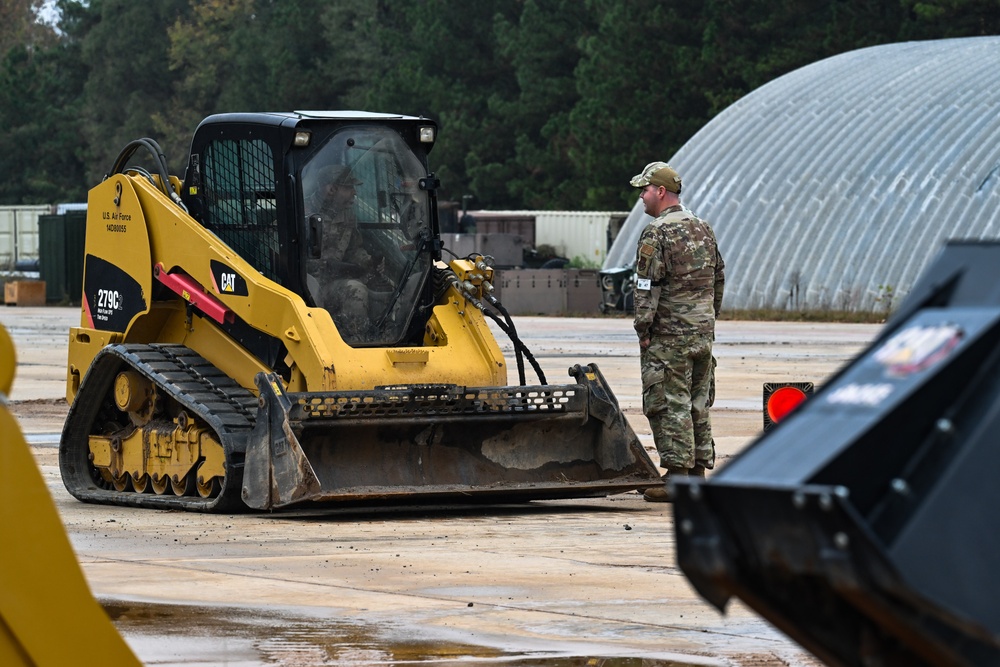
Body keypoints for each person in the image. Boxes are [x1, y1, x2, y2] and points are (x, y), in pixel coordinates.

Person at [628, 161, 725, 502]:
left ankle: (678, 477)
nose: (641, 196)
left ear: (660, 192)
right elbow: (718, 279)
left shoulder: (657, 232)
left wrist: (643, 328)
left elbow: (646, 286)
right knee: (698, 401)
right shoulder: (703, 228)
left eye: (645, 189)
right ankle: (697, 473)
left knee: (670, 403)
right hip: (701, 333)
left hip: (669, 335)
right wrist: (708, 319)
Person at [303, 164, 373, 335]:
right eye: (348, 188)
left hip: (332, 283)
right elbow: (276, 251)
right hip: (302, 285)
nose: (354, 193)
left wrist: (369, 262)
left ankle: (354, 343)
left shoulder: (348, 216)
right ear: (331, 189)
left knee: (357, 290)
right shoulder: (300, 211)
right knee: (312, 292)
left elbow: (354, 249)